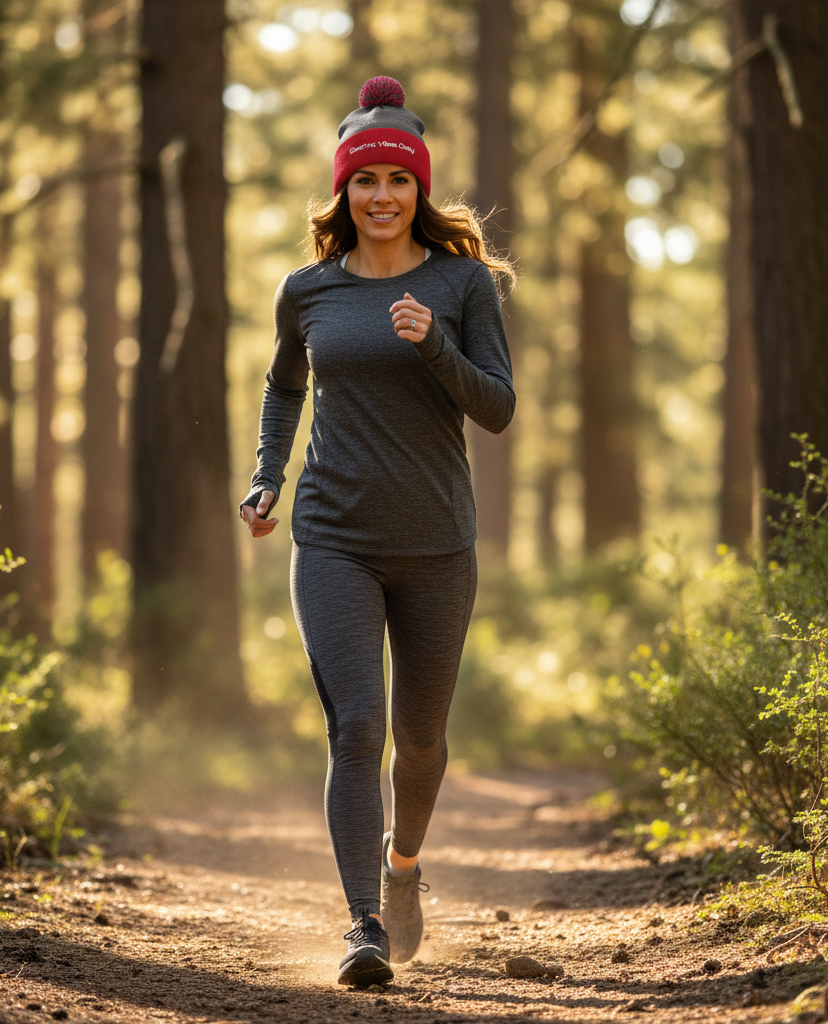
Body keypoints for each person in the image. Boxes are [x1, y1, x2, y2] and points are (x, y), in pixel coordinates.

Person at [239, 76, 515, 987]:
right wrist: (266, 477)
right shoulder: (308, 291)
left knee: (421, 740)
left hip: (438, 542)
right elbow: (285, 388)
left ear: (420, 192)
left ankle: (403, 870)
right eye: (366, 182)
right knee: (358, 727)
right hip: (334, 537)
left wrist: (435, 343)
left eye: (400, 181)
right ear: (344, 192)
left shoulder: (462, 283)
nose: (383, 197)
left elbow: (500, 410)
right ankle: (362, 925)